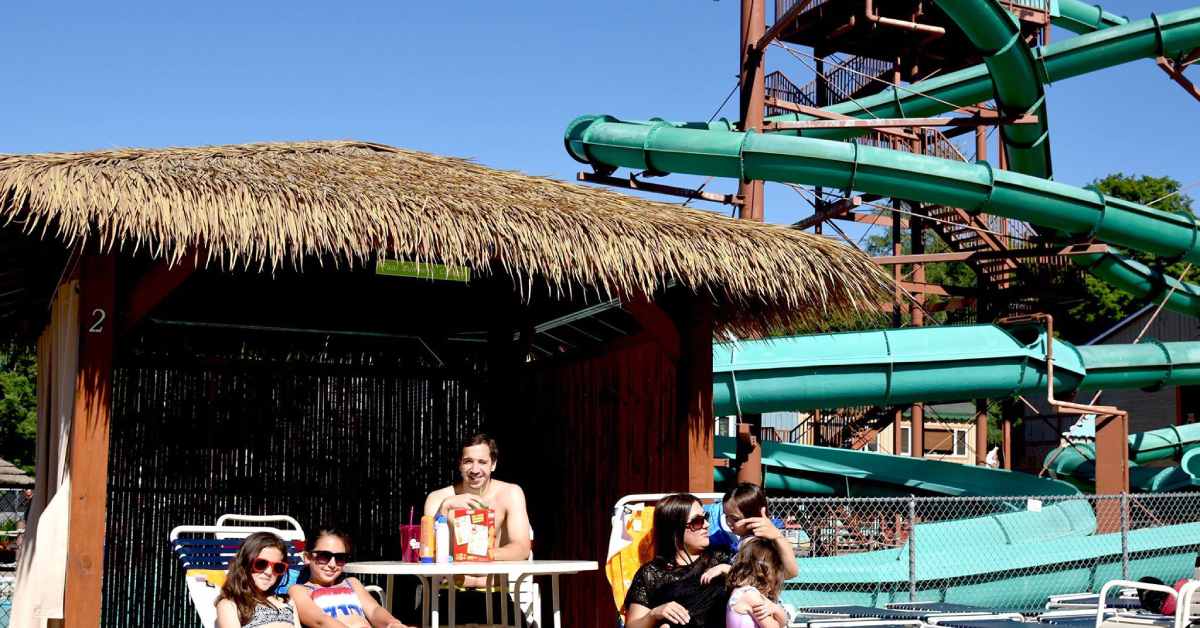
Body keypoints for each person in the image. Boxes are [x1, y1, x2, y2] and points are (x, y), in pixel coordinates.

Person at [624, 493, 732, 628]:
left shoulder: (722, 558)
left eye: (706, 517)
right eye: (697, 521)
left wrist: (730, 571)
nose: (707, 524)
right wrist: (654, 614)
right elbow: (632, 625)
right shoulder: (652, 573)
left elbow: (756, 589)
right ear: (675, 529)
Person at [423, 434, 531, 563]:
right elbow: (428, 553)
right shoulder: (438, 498)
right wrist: (445, 507)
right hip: (451, 583)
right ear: (460, 464)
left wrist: (480, 554)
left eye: (482, 462)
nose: (475, 470)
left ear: (493, 465)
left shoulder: (510, 494)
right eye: (468, 461)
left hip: (496, 582)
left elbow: (522, 548)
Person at [289, 528, 407, 628]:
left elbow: (374, 610)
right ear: (307, 557)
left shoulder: (352, 583)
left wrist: (392, 623)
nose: (332, 564)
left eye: (340, 557)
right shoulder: (300, 590)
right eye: (324, 556)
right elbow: (319, 621)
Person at [705, 484, 799, 581]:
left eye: (735, 519)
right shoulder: (743, 539)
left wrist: (726, 569)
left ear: (754, 515)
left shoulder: (755, 543)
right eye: (726, 516)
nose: (728, 522)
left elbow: (767, 578)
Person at [214, 531, 296, 628]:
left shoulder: (287, 602)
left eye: (278, 567)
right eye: (261, 564)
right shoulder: (230, 605)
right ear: (244, 564)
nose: (269, 572)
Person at [724, 537, 790, 628]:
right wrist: (777, 609)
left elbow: (782, 622)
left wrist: (776, 609)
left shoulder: (741, 591)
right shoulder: (751, 595)